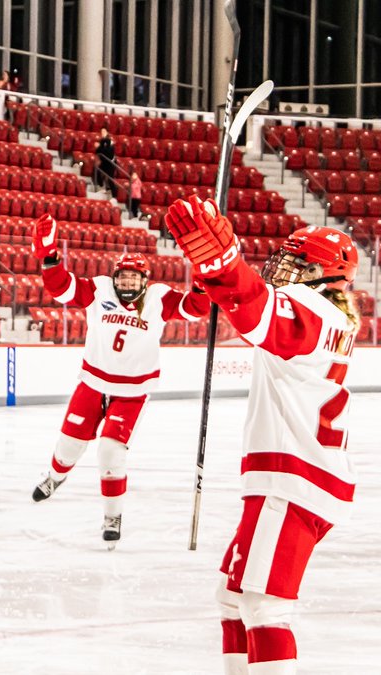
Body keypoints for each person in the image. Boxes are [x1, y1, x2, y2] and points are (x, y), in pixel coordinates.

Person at [162, 198, 360, 675]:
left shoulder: (315, 311)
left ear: (323, 273)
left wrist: (223, 266)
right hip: (291, 479)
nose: (284, 268)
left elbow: (256, 313)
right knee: (232, 598)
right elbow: (253, 307)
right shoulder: (329, 313)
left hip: (296, 482)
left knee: (266, 606)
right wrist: (216, 279)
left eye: (296, 262)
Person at [28, 212, 210, 547]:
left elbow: (195, 308)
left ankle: (112, 515)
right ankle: (56, 476)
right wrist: (50, 258)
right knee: (68, 447)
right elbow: (62, 288)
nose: (127, 284)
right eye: (122, 279)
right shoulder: (98, 290)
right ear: (114, 278)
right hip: (93, 383)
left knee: (111, 452)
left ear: (145, 280)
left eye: (133, 279)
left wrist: (203, 279)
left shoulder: (158, 297)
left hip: (132, 391)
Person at [95, 127, 117, 193]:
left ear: (107, 132)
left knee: (110, 179)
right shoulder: (101, 141)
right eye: (101, 132)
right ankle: (101, 187)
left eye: (104, 131)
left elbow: (108, 152)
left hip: (111, 162)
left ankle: (114, 195)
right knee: (97, 172)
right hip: (104, 162)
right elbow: (98, 152)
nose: (102, 133)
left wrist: (99, 147)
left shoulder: (110, 141)